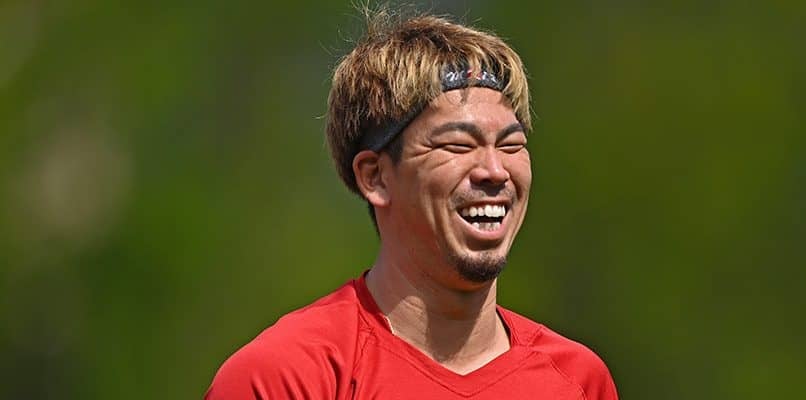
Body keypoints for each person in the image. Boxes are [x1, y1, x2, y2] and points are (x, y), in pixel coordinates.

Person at [205, 9, 618, 400]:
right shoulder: (287, 377)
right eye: (458, 145)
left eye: (511, 145)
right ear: (375, 177)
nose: (495, 170)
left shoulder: (579, 381)